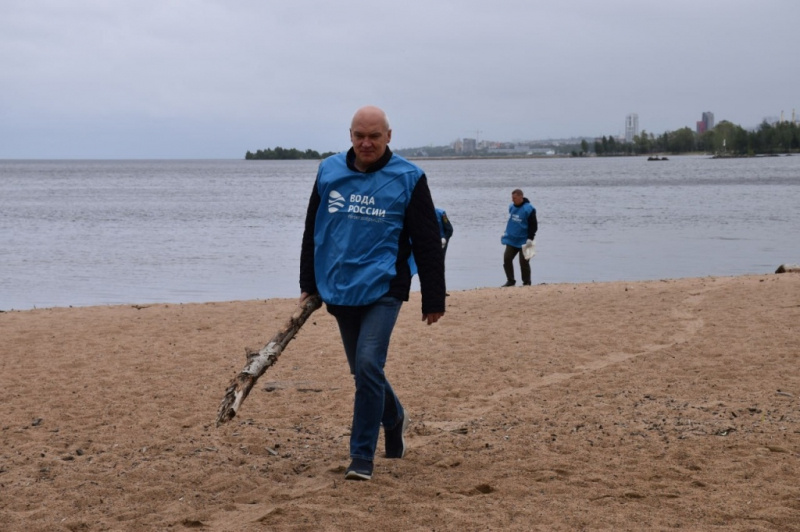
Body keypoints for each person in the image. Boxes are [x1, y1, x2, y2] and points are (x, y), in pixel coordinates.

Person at [299, 105, 446, 481]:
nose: (366, 143)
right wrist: (308, 283)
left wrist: (433, 297)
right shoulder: (329, 170)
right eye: (359, 136)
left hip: (385, 285)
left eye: (374, 136)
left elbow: (427, 240)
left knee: (367, 365)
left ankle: (361, 456)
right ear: (350, 135)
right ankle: (394, 419)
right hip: (339, 286)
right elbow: (314, 228)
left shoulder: (409, 177)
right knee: (364, 371)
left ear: (389, 136)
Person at [501, 188, 538, 287]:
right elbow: (512, 222)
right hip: (512, 240)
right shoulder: (511, 207)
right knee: (507, 258)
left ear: (521, 197)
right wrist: (506, 234)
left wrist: (530, 238)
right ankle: (510, 280)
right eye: (512, 198)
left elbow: (534, 225)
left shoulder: (529, 209)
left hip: (526, 240)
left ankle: (526, 282)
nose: (512, 200)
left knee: (524, 262)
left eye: (514, 198)